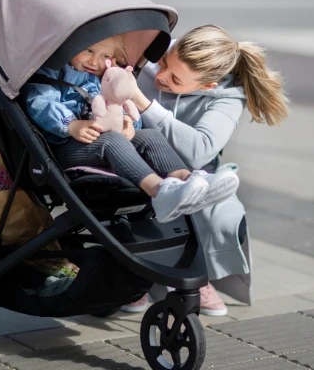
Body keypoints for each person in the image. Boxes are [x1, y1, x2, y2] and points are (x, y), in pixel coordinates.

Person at [120, 24, 289, 315]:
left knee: (215, 210)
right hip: (137, 157)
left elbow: (199, 151)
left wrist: (143, 102)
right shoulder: (149, 53)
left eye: (175, 79)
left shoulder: (228, 96)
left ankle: (198, 271)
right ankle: (136, 275)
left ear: (207, 86)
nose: (160, 76)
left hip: (192, 170)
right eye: (165, 62)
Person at [22, 35, 240, 223]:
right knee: (113, 141)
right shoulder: (51, 71)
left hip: (97, 142)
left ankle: (187, 179)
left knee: (150, 135)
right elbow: (39, 103)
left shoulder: (101, 76)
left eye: (105, 56)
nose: (94, 61)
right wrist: (69, 124)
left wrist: (128, 123)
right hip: (63, 147)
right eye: (88, 50)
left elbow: (117, 103)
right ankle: (159, 192)